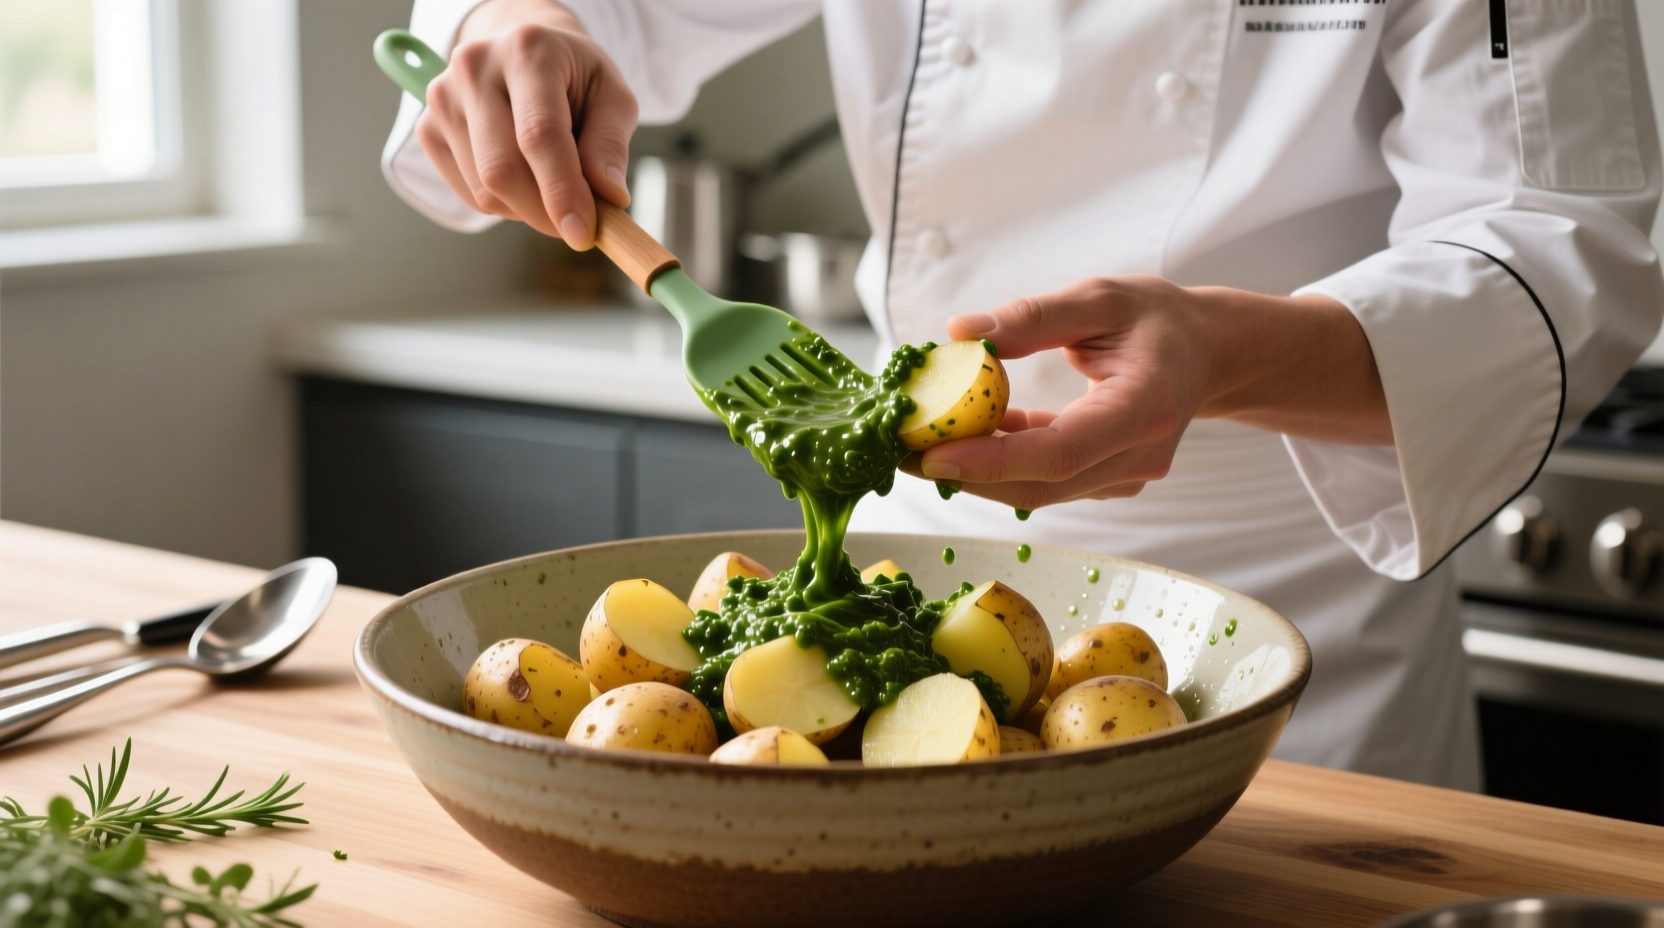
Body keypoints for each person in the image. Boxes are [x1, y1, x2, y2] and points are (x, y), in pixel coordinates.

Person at [383, 0, 1664, 789]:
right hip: (924, 600)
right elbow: (577, 12)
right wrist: (513, 24)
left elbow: (1561, 233)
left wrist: (1223, 353)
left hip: (1295, 643)